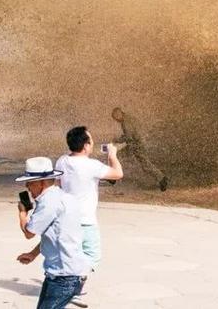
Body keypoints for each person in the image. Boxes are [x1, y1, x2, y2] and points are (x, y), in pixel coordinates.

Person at [55, 126, 124, 308]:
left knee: (72, 255)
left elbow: (58, 184)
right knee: (92, 256)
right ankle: (73, 289)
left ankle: (70, 288)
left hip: (65, 219)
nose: (93, 143)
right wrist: (113, 155)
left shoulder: (61, 161)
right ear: (85, 146)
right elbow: (118, 174)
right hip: (85, 221)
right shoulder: (92, 166)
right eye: (90, 140)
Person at [16, 157, 90, 309]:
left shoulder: (48, 203)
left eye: (30, 183)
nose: (27, 187)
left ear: (41, 182)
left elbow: (29, 232)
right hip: (63, 274)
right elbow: (54, 234)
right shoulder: (62, 196)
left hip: (64, 277)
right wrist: (33, 254)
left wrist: (22, 213)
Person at [111, 107, 168, 191]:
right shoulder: (128, 118)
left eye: (116, 118)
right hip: (137, 143)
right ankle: (161, 178)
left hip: (136, 144)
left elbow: (128, 136)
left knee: (119, 157)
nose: (116, 121)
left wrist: (117, 140)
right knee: (144, 164)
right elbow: (131, 133)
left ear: (119, 114)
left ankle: (162, 178)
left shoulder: (126, 122)